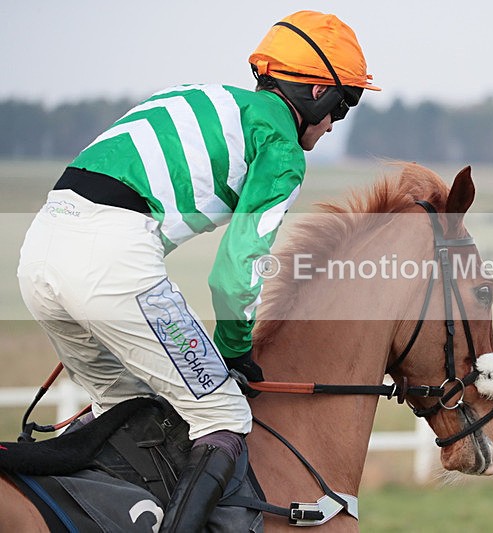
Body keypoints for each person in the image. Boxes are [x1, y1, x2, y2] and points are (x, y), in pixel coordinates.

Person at [17, 10, 379, 532]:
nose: (332, 125)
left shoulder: (199, 95)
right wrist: (234, 349)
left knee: (128, 412)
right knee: (224, 415)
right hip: (111, 262)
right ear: (318, 92)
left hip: (39, 253)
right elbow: (235, 273)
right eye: (343, 106)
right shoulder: (281, 149)